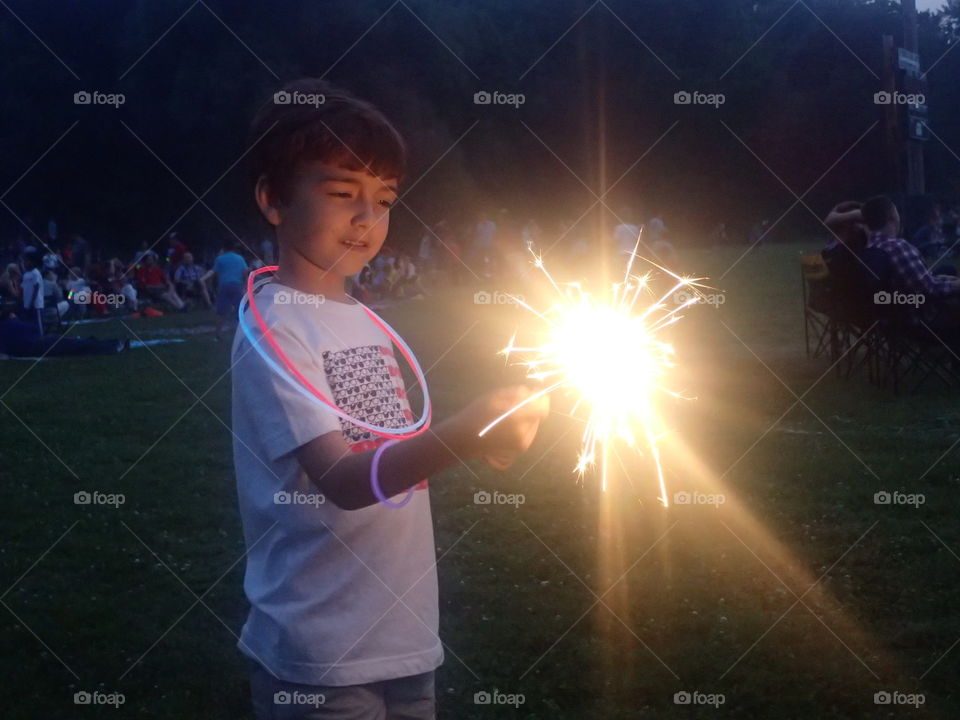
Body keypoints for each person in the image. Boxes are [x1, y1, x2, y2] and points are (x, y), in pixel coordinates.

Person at [234, 78, 550, 720]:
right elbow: (345, 480)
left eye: (383, 200)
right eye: (342, 193)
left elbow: (385, 451)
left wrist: (486, 435)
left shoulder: (359, 318)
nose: (366, 218)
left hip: (403, 632)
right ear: (273, 199)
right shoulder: (277, 330)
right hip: (323, 647)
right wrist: (461, 437)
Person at [0, 311, 127, 357]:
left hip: (36, 346)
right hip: (40, 344)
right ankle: (112, 345)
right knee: (75, 344)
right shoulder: (15, 324)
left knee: (75, 344)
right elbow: (35, 329)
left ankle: (107, 343)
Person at [203, 240, 248, 340]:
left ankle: (218, 334)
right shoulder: (240, 258)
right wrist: (244, 286)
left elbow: (215, 272)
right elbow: (245, 272)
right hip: (237, 285)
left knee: (221, 312)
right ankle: (242, 334)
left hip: (224, 285)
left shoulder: (220, 258)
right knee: (240, 311)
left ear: (224, 248)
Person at [19, 248, 44, 332]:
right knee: (30, 324)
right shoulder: (26, 274)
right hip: (27, 304)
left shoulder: (35, 273)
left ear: (32, 262)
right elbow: (23, 288)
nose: (24, 263)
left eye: (26, 261)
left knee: (38, 324)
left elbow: (36, 287)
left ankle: (41, 337)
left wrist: (32, 302)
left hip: (36, 304)